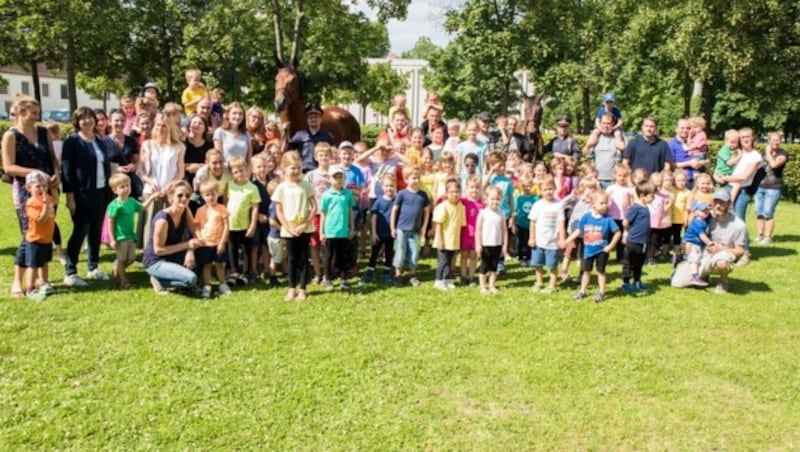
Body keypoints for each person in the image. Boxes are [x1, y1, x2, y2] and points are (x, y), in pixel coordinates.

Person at [1, 95, 60, 298]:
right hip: (26, 193)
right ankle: (18, 281)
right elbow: (9, 167)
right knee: (29, 236)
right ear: (21, 112)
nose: (37, 116)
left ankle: (41, 278)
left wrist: (56, 176)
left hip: (48, 191)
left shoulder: (43, 133)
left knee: (45, 234)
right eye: (33, 113)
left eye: (38, 112)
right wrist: (35, 173)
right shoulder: (11, 136)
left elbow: (52, 159)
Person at [62, 107, 113, 287]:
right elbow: (67, 172)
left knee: (95, 231)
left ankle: (93, 267)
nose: (87, 121)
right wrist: (70, 197)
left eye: (89, 117)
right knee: (80, 231)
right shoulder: (72, 142)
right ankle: (71, 271)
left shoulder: (99, 140)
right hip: (81, 194)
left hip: (101, 192)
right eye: (82, 118)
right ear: (77, 122)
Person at [671, 191, 746, 294]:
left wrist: (721, 249)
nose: (718, 206)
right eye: (716, 202)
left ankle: (723, 281)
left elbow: (741, 250)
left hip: (722, 254)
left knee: (722, 262)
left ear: (729, 203)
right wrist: (685, 244)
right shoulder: (705, 216)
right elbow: (692, 232)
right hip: (702, 254)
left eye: (722, 202)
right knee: (677, 283)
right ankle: (703, 275)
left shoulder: (738, 225)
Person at [142, 180, 202, 295]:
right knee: (191, 279)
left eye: (187, 196)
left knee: (202, 252)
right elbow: (158, 250)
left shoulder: (185, 209)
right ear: (171, 197)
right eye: (180, 195)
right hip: (156, 261)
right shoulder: (163, 220)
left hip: (173, 255)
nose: (184, 198)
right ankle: (159, 280)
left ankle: (179, 277)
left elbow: (194, 233)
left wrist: (190, 251)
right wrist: (187, 245)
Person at [561, 191, 622, 303]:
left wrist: (610, 246)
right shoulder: (586, 217)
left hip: (602, 251)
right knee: (586, 271)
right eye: (601, 203)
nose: (605, 205)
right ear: (593, 204)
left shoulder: (608, 219)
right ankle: (582, 291)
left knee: (601, 272)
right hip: (588, 250)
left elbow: (618, 233)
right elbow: (579, 230)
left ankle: (602, 292)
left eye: (606, 203)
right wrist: (567, 240)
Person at [138, 113, 185, 250]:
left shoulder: (179, 147)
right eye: (158, 125)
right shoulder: (147, 145)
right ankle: (149, 253)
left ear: (170, 128)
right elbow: (140, 169)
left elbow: (180, 172)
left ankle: (167, 252)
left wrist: (170, 186)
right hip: (151, 191)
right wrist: (149, 181)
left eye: (164, 126)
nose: (160, 128)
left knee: (167, 224)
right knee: (150, 224)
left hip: (170, 192)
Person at [274, 152, 317, 301]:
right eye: (292, 168)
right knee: (292, 259)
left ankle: (303, 289)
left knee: (304, 258)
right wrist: (288, 227)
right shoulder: (281, 188)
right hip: (289, 229)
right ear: (284, 168)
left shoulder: (306, 185)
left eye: (299, 168)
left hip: (304, 228)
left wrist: (304, 224)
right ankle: (292, 288)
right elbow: (278, 211)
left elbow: (314, 206)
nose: (296, 171)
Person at [718, 127, 761, 264]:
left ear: (753, 137)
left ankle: (745, 253)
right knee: (723, 218)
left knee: (739, 221)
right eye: (742, 137)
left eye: (748, 136)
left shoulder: (755, 156)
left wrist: (725, 178)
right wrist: (717, 176)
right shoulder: (735, 151)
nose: (745, 139)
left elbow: (744, 176)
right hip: (726, 186)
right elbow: (721, 165)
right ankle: (728, 250)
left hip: (741, 190)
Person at [391, 166, 431, 287]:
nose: (416, 180)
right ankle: (398, 275)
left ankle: (412, 275)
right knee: (400, 252)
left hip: (415, 230)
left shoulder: (423, 195)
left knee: (414, 253)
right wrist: (392, 227)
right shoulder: (402, 194)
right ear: (406, 179)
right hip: (402, 229)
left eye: (418, 178)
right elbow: (395, 210)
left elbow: (427, 211)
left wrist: (424, 227)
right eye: (413, 178)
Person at [194, 181, 232, 298]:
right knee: (207, 265)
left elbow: (226, 226)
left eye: (213, 194)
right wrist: (199, 238)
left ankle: (222, 284)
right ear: (203, 196)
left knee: (220, 265)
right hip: (205, 243)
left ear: (217, 194)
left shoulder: (222, 208)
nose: (210, 197)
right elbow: (197, 226)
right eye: (207, 195)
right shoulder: (200, 211)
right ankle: (207, 285)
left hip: (218, 243)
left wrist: (222, 242)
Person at [225, 156, 261, 284]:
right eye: (235, 172)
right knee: (232, 249)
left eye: (241, 170)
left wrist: (252, 226)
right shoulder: (229, 185)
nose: (239, 174)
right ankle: (234, 272)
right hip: (231, 225)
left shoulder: (252, 188)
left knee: (246, 250)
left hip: (245, 225)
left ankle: (247, 273)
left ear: (247, 169)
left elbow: (255, 208)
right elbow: (226, 202)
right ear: (231, 173)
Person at [320, 167, 357, 290]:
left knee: (343, 255)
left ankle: (343, 278)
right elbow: (323, 214)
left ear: (344, 178)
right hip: (330, 231)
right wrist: (321, 231)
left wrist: (352, 228)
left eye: (340, 177)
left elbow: (350, 211)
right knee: (329, 255)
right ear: (330, 179)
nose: (338, 180)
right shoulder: (326, 195)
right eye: (335, 177)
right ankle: (327, 278)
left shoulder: (348, 194)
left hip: (343, 230)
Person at [23, 171, 57, 301]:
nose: (42, 189)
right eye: (38, 186)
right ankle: (30, 287)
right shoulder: (31, 203)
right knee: (33, 264)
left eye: (44, 186)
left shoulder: (47, 198)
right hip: (35, 239)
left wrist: (53, 190)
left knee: (44, 262)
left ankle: (43, 282)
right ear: (28, 188)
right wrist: (44, 206)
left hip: (47, 238)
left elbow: (54, 203)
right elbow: (41, 220)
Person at [528, 175, 565, 294]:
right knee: (537, 264)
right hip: (539, 241)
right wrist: (532, 238)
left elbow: (561, 223)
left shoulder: (558, 205)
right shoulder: (538, 205)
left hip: (552, 242)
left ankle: (552, 285)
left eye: (550, 189)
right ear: (541, 191)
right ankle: (539, 282)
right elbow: (532, 222)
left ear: (554, 189)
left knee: (552, 266)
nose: (548, 192)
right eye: (545, 189)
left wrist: (562, 238)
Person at [304, 142, 334, 284]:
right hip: (315, 214)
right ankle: (317, 273)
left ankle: (328, 272)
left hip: (331, 214)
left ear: (331, 157)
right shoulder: (310, 175)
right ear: (316, 157)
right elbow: (305, 194)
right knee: (314, 244)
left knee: (328, 244)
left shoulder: (335, 174)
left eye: (327, 155)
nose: (324, 158)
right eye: (321, 155)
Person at [362, 173, 397, 286]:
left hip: (390, 234)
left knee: (388, 253)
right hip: (379, 233)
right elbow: (374, 217)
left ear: (395, 186)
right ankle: (369, 272)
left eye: (391, 186)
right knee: (374, 253)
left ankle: (387, 272)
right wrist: (373, 233)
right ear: (382, 187)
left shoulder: (396, 201)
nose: (389, 188)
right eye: (386, 186)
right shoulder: (378, 201)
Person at [754, 132, 788, 245]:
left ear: (781, 141)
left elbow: (773, 165)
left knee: (768, 212)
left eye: (777, 140)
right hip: (760, 187)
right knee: (759, 212)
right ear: (768, 141)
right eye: (773, 140)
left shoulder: (783, 154)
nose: (775, 142)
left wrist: (768, 152)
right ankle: (759, 235)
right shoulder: (762, 153)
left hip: (773, 188)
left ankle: (768, 237)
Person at [432, 179, 466, 290]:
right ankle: (438, 280)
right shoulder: (443, 206)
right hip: (443, 240)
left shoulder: (461, 207)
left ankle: (447, 279)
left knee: (451, 261)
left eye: (457, 192)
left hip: (454, 240)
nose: (454, 194)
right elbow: (438, 224)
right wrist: (440, 240)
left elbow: (460, 225)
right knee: (443, 261)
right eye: (451, 192)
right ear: (446, 193)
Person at [621, 182, 654, 293]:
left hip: (643, 241)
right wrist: (627, 232)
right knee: (629, 262)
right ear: (642, 195)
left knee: (639, 263)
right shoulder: (635, 207)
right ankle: (625, 283)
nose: (653, 198)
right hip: (633, 241)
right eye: (651, 196)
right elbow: (625, 221)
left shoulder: (645, 207)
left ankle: (637, 281)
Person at [475, 185, 509, 294]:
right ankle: (482, 286)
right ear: (486, 199)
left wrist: (505, 246)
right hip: (485, 244)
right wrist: (478, 245)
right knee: (484, 266)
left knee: (494, 266)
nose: (495, 201)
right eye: (492, 199)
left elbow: (504, 230)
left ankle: (492, 285)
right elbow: (478, 230)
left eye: (498, 199)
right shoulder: (483, 213)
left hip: (497, 244)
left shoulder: (501, 213)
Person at [287, 103, 335, 173]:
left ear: (320, 119)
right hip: (304, 172)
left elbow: (333, 153)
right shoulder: (299, 135)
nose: (313, 119)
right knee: (304, 185)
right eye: (311, 117)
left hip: (321, 172)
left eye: (316, 117)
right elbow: (289, 150)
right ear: (307, 120)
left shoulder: (327, 136)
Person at [583, 112, 623, 189]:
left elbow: (626, 156)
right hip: (596, 179)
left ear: (613, 124)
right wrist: (588, 145)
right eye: (603, 123)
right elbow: (584, 153)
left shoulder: (618, 137)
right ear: (600, 124)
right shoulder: (595, 137)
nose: (606, 126)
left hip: (613, 180)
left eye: (608, 123)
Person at [682, 200, 714, 286]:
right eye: (702, 210)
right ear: (695, 213)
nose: (706, 211)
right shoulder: (697, 222)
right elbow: (702, 235)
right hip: (692, 243)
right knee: (695, 260)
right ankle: (694, 277)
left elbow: (711, 212)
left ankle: (681, 258)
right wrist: (709, 243)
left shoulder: (704, 218)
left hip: (697, 244)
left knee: (696, 258)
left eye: (706, 209)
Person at [183, 113, 214, 199]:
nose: (197, 125)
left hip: (204, 182)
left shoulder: (210, 145)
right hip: (185, 181)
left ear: (205, 128)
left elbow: (213, 163)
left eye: (200, 123)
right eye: (194, 122)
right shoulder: (183, 143)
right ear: (189, 126)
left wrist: (199, 166)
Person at [460, 175, 483, 286]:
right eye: (472, 187)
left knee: (474, 256)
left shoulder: (482, 204)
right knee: (464, 256)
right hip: (464, 234)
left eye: (477, 187)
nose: (474, 190)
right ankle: (463, 276)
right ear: (467, 188)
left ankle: (471, 276)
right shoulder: (462, 202)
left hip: (476, 236)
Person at [512, 175, 538, 267]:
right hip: (520, 224)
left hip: (531, 224)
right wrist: (513, 224)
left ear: (532, 186)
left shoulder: (535, 199)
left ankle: (530, 257)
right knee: (521, 242)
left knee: (530, 241)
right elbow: (515, 212)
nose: (526, 188)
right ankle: (521, 258)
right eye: (524, 186)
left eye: (528, 186)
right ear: (520, 186)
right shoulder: (518, 199)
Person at [266, 179, 286, 287]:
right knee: (275, 258)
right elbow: (272, 221)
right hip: (276, 236)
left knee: (283, 255)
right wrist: (282, 229)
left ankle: (286, 272)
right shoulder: (274, 205)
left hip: (279, 235)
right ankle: (272, 276)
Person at [713, 129, 742, 194]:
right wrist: (739, 156)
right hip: (722, 174)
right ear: (726, 141)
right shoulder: (724, 150)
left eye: (736, 143)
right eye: (731, 142)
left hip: (727, 174)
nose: (733, 145)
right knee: (724, 194)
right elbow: (729, 163)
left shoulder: (731, 150)